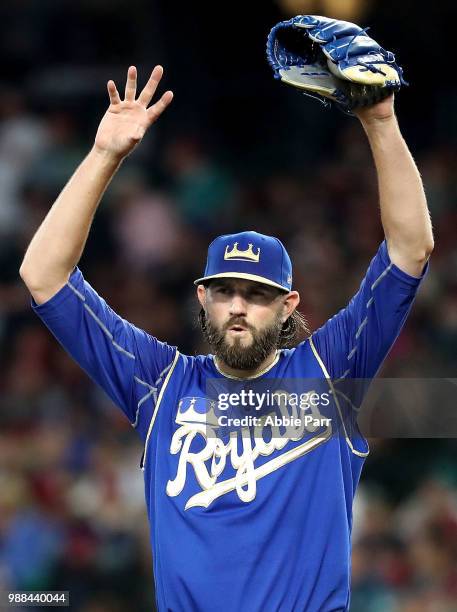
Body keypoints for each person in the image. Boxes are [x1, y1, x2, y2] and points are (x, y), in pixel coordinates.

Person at [19, 65, 434, 612]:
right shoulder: (160, 385)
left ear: (288, 308)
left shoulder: (328, 373)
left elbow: (410, 251)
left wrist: (381, 122)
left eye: (257, 294)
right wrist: (103, 157)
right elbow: (43, 277)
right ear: (202, 299)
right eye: (224, 291)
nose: (238, 306)